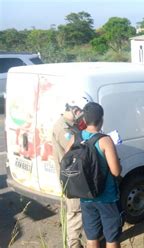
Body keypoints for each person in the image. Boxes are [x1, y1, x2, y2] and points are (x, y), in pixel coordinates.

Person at [66, 102, 122, 248]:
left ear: (84, 120)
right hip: (106, 197)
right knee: (112, 238)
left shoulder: (75, 138)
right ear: (101, 119)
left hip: (85, 197)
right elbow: (116, 171)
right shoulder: (105, 140)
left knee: (92, 237)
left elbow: (66, 162)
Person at [52, 99, 88, 248]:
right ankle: (73, 245)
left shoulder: (69, 125)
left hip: (73, 175)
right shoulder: (63, 128)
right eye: (80, 111)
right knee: (75, 214)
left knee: (79, 214)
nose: (81, 115)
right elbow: (73, 149)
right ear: (73, 109)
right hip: (71, 178)